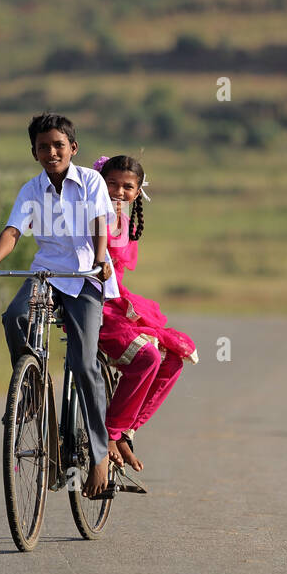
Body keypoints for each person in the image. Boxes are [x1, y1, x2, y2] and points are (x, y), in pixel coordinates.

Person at [0, 114, 119, 497]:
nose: (51, 151)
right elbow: (13, 230)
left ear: (73, 148)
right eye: (43, 146)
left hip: (87, 276)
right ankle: (32, 393)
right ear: (34, 152)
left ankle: (102, 455)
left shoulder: (90, 181)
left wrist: (101, 260)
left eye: (58, 145)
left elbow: (99, 226)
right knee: (14, 315)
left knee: (83, 361)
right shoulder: (31, 189)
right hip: (46, 274)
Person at [94, 154, 197, 472]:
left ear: (138, 192)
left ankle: (125, 430)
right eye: (112, 184)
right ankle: (109, 434)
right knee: (148, 357)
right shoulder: (90, 214)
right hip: (93, 304)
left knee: (172, 359)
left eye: (127, 187)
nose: (119, 191)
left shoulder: (126, 221)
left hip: (118, 303)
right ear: (99, 183)